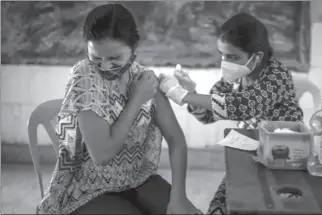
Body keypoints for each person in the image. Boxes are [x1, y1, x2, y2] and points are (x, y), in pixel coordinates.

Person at [36, 3, 200, 214]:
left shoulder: (143, 78)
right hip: (87, 188)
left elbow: (176, 141)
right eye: (95, 57)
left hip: (137, 179)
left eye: (114, 58)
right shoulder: (84, 77)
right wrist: (136, 100)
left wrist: (179, 197)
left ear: (134, 48)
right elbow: (102, 155)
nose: (104, 67)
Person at [159, 12, 304, 214]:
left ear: (257, 57)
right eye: (223, 55)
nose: (226, 62)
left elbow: (242, 106)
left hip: (285, 157)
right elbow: (208, 115)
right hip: (250, 153)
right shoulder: (236, 75)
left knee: (268, 205)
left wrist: (183, 95)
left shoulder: (276, 75)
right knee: (220, 207)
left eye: (233, 56)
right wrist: (192, 93)